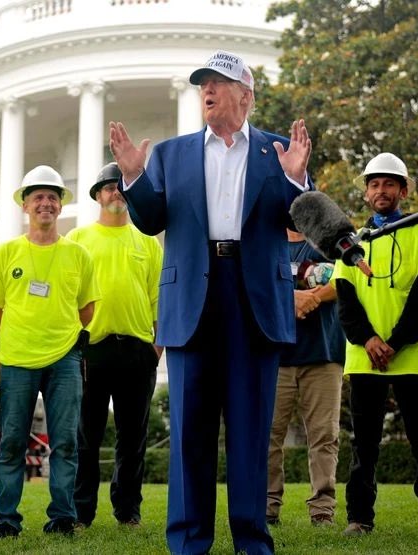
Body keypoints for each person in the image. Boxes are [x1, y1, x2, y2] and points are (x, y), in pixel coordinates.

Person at [108, 49, 312, 554]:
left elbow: (299, 221)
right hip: (191, 297)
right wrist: (133, 180)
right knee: (189, 432)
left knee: (250, 430)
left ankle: (251, 540)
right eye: (202, 84)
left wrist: (295, 180)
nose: (207, 90)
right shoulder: (170, 154)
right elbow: (153, 220)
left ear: (245, 94)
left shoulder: (278, 152)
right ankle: (188, 542)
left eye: (217, 82)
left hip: (254, 296)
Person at [333, 153, 418, 538]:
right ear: (366, 193)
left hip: (411, 355)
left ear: (404, 189)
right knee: (363, 444)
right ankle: (359, 519)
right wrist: (368, 340)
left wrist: (394, 343)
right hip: (363, 357)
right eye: (374, 184)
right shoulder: (350, 243)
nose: (381, 191)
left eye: (389, 184)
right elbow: (345, 300)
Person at [0, 165, 99, 539]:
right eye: (38, 197)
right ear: (25, 205)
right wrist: (18, 337)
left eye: (52, 197)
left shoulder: (78, 255)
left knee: (64, 442)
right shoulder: (6, 253)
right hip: (16, 361)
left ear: (60, 206)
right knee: (12, 442)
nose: (45, 203)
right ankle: (6, 520)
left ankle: (62, 516)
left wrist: (58, 336)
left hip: (65, 359)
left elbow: (87, 309)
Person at [69, 162, 164, 528]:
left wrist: (156, 352)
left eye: (121, 187)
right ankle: (81, 512)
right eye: (108, 187)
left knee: (133, 438)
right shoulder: (77, 240)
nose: (116, 193)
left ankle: (128, 511)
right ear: (97, 195)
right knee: (86, 437)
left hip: (138, 351)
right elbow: (66, 298)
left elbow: (159, 301)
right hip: (89, 350)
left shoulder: (147, 242)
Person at [266, 229, 346, 528]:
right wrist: (291, 299)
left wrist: (312, 297)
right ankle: (267, 506)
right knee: (268, 436)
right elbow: (252, 285)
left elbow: (347, 278)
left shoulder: (330, 241)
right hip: (274, 356)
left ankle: (322, 509)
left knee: (325, 436)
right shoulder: (265, 240)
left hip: (324, 354)